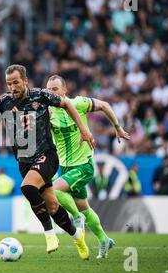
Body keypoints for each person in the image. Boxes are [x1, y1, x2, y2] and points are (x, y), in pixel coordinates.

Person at [0, 64, 94, 258]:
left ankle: (49, 234)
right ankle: (78, 238)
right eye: (9, 84)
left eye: (16, 82)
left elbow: (67, 104)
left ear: (25, 81)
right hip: (24, 161)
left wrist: (83, 130)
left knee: (27, 187)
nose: (12, 87)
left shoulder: (41, 95)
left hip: (47, 156)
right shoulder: (4, 102)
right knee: (52, 206)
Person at [46, 74, 130, 259]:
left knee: (53, 191)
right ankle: (104, 240)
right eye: (48, 90)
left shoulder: (78, 104)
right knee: (84, 207)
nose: (50, 93)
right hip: (66, 168)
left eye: (54, 89)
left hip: (84, 165)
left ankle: (77, 218)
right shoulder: (49, 113)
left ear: (64, 90)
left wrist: (117, 127)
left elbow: (104, 105)